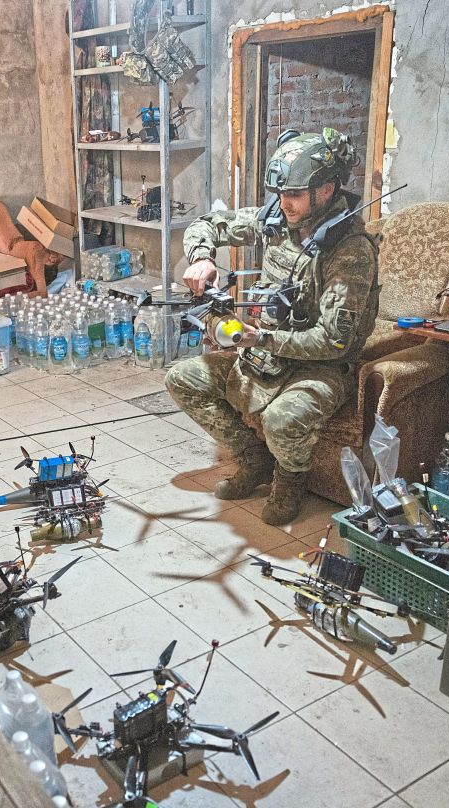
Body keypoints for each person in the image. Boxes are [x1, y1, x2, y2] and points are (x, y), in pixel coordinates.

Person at [165, 128, 380, 526]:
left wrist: (260, 337)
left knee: (282, 419)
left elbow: (333, 342)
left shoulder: (350, 251)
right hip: (266, 353)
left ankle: (289, 482)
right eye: (280, 194)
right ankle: (255, 459)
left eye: (294, 195)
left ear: (328, 188)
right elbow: (206, 224)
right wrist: (200, 257)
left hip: (321, 368)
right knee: (183, 378)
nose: (284, 203)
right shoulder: (277, 219)